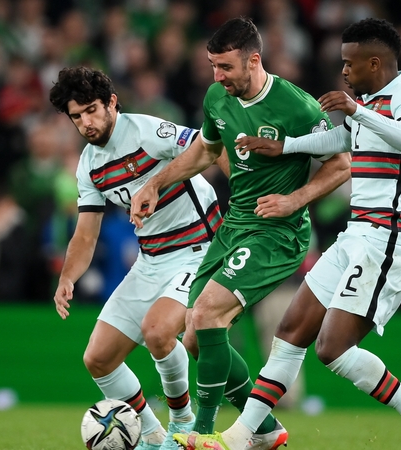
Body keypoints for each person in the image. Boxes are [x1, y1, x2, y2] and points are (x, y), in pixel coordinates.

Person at [182, 18, 401, 450]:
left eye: (349, 63)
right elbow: (337, 141)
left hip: (390, 236)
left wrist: (358, 110)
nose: (343, 71)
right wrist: (284, 147)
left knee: (332, 349)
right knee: (290, 332)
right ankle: (239, 437)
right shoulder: (368, 100)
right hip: (357, 232)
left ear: (374, 61)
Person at [129, 17, 350, 449]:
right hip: (236, 224)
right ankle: (265, 432)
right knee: (194, 336)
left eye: (225, 67)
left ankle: (202, 432)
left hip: (278, 232)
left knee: (209, 314)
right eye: (213, 65)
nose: (217, 76)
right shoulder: (217, 96)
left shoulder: (298, 108)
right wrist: (155, 183)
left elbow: (340, 166)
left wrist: (294, 200)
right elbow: (207, 150)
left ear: (254, 60)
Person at [49, 66, 223, 450]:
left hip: (199, 249)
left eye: (91, 110)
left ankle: (182, 421)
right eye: (76, 116)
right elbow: (86, 232)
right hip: (152, 259)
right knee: (98, 358)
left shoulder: (148, 131)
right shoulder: (89, 165)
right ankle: (149, 433)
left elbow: (211, 146)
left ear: (112, 102)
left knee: (158, 331)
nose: (85, 123)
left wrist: (243, 201)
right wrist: (67, 278)